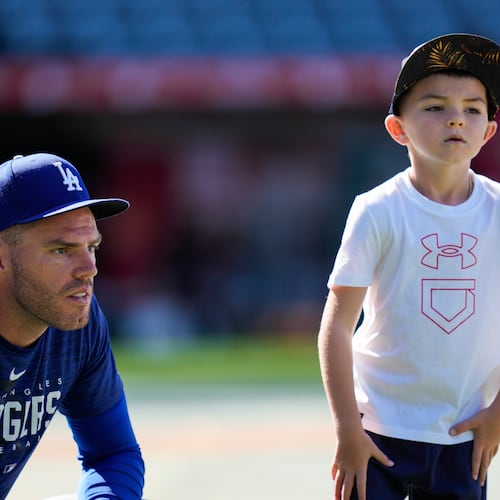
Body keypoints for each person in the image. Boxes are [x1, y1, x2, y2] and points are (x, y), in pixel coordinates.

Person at [318, 33, 500, 500]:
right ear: (398, 128)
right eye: (435, 106)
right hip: (378, 433)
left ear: (489, 130)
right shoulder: (377, 210)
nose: (456, 117)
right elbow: (336, 327)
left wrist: (499, 410)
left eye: (473, 108)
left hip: (464, 435)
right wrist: (347, 431)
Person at [0, 153, 145, 498]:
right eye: (62, 250)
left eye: (91, 246)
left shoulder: (78, 322)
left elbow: (112, 452)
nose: (89, 269)